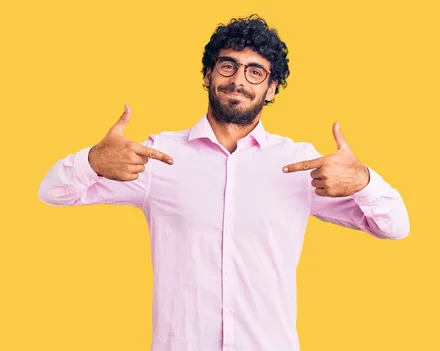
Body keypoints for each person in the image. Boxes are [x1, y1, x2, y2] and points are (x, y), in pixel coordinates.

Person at [38, 14, 410, 351]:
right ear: (208, 75)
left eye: (255, 72)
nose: (237, 80)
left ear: (272, 89)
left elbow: (394, 228)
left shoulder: (299, 164)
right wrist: (92, 161)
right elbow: (52, 192)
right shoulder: (158, 156)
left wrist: (362, 179)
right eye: (227, 66)